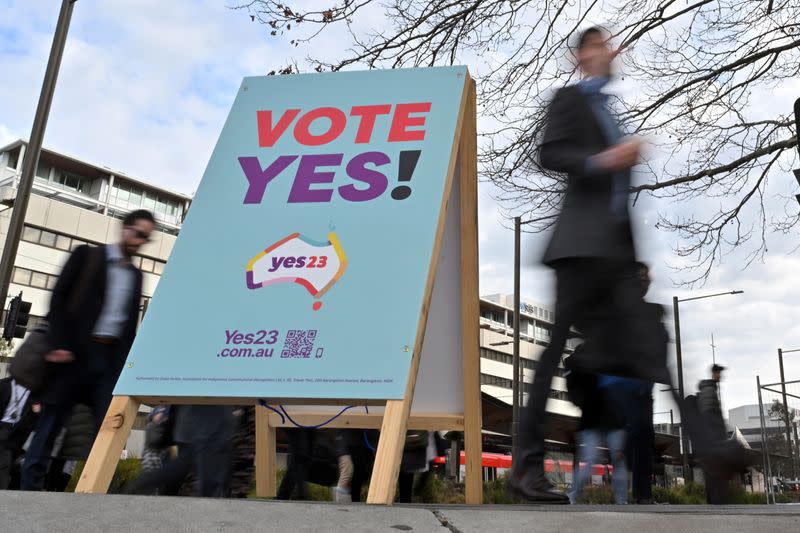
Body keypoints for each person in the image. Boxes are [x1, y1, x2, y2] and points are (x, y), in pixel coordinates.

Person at [510, 26, 643, 503]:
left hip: (615, 254)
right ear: (581, 56)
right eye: (596, 45)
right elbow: (550, 154)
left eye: (609, 45)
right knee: (553, 354)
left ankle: (704, 458)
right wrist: (604, 158)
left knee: (645, 352)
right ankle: (526, 471)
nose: (606, 52)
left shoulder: (612, 112)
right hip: (578, 249)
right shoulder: (570, 99)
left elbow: (618, 196)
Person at [21, 210, 154, 491]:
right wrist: (58, 344)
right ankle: (29, 493)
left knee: (107, 428)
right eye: (139, 233)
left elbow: (128, 327)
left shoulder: (136, 277)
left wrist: (125, 370)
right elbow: (57, 299)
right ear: (125, 229)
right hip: (73, 355)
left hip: (108, 361)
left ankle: (94, 494)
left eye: (147, 237)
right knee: (49, 427)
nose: (141, 241)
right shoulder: (87, 257)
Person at [126, 405, 237, 498]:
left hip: (190, 427)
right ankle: (143, 483)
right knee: (204, 471)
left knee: (185, 464)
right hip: (206, 427)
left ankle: (143, 483)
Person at [0, 377, 37, 489]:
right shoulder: (5, 385)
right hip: (4, 430)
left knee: (13, 467)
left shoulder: (35, 392)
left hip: (19, 434)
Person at [698, 364, 728, 504]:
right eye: (718, 373)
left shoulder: (711, 390)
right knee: (713, 467)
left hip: (711, 436)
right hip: (712, 437)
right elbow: (708, 414)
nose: (720, 376)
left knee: (713, 467)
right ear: (713, 373)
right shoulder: (709, 390)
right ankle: (713, 499)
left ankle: (714, 499)